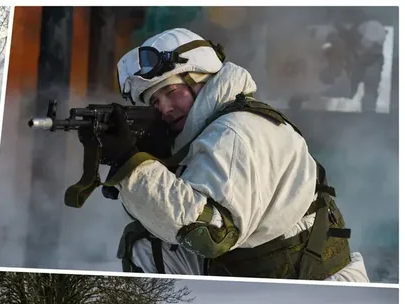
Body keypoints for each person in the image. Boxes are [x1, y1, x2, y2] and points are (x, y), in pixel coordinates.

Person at [97, 28, 368, 282]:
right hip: (277, 267)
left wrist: (133, 167)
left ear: (202, 77)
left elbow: (210, 235)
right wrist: (155, 164)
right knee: (146, 243)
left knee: (145, 247)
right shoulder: (216, 126)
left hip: (311, 282)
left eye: (171, 91)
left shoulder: (233, 131)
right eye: (155, 101)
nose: (165, 108)